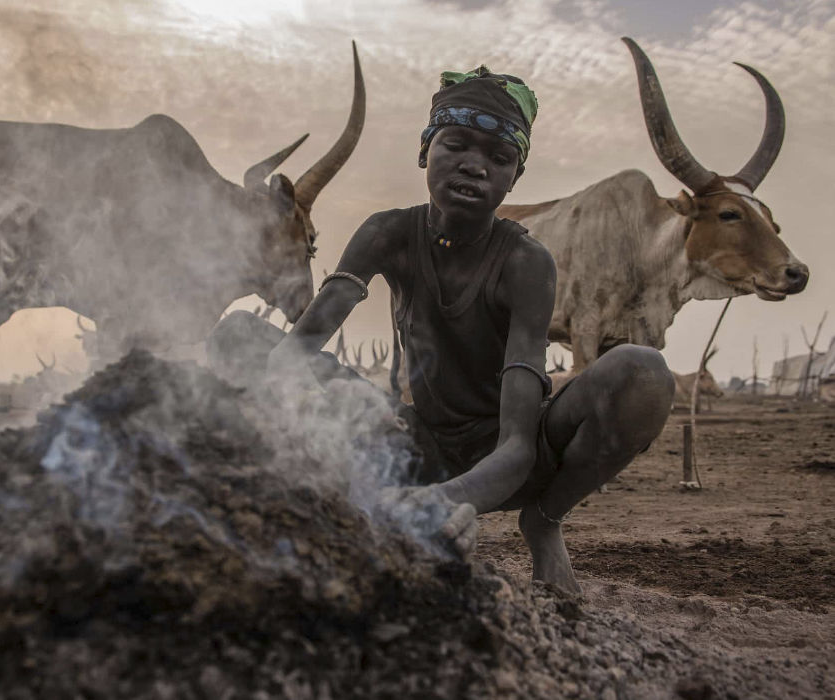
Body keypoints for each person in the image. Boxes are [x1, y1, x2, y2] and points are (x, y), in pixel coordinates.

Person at [262, 65, 674, 594]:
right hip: (412, 446)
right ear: (424, 150)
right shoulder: (386, 233)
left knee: (643, 372)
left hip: (516, 458)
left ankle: (545, 523)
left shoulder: (527, 262)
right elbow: (294, 352)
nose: (474, 167)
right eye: (455, 144)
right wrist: (313, 406)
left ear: (515, 177)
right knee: (243, 338)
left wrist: (442, 502)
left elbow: (517, 445)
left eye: (499, 158)